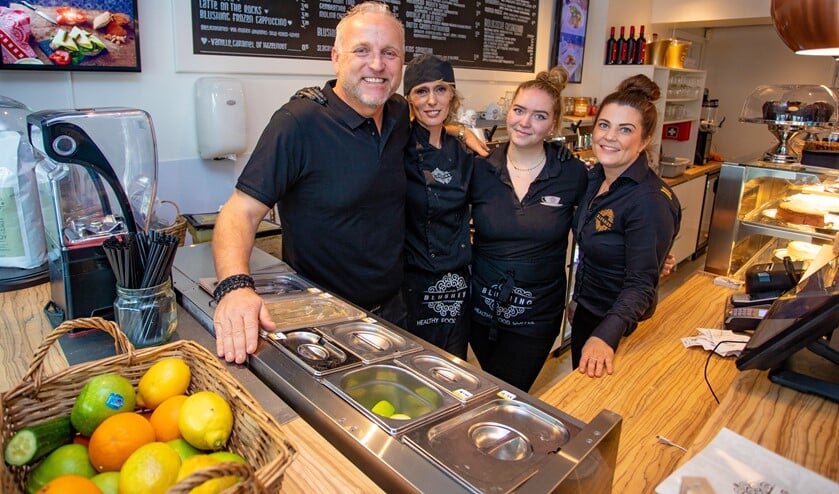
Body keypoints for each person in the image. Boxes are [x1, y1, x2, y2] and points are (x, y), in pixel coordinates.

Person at [211, 2, 409, 364]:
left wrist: (462, 132)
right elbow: (240, 211)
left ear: (402, 62)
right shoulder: (297, 123)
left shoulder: (399, 114)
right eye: (362, 50)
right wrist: (235, 287)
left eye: (389, 53)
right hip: (320, 322)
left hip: (394, 314)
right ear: (336, 57)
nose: (377, 65)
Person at [468, 66, 587, 391]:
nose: (524, 122)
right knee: (492, 387)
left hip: (537, 314)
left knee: (509, 390)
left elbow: (598, 227)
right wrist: (457, 129)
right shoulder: (480, 165)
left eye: (538, 116)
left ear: (553, 124)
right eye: (519, 110)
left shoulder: (572, 173)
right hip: (479, 309)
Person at [571, 74, 682, 378]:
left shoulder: (648, 200)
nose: (609, 137)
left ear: (645, 140)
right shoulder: (595, 179)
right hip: (588, 311)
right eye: (604, 125)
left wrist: (605, 336)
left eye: (625, 130)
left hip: (621, 326)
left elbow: (640, 286)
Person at [401, 54, 473, 360]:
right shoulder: (397, 145)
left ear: (452, 95)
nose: (432, 100)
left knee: (455, 364)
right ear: (409, 99)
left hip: (457, 279)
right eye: (422, 91)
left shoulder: (465, 150)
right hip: (412, 281)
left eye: (441, 89)